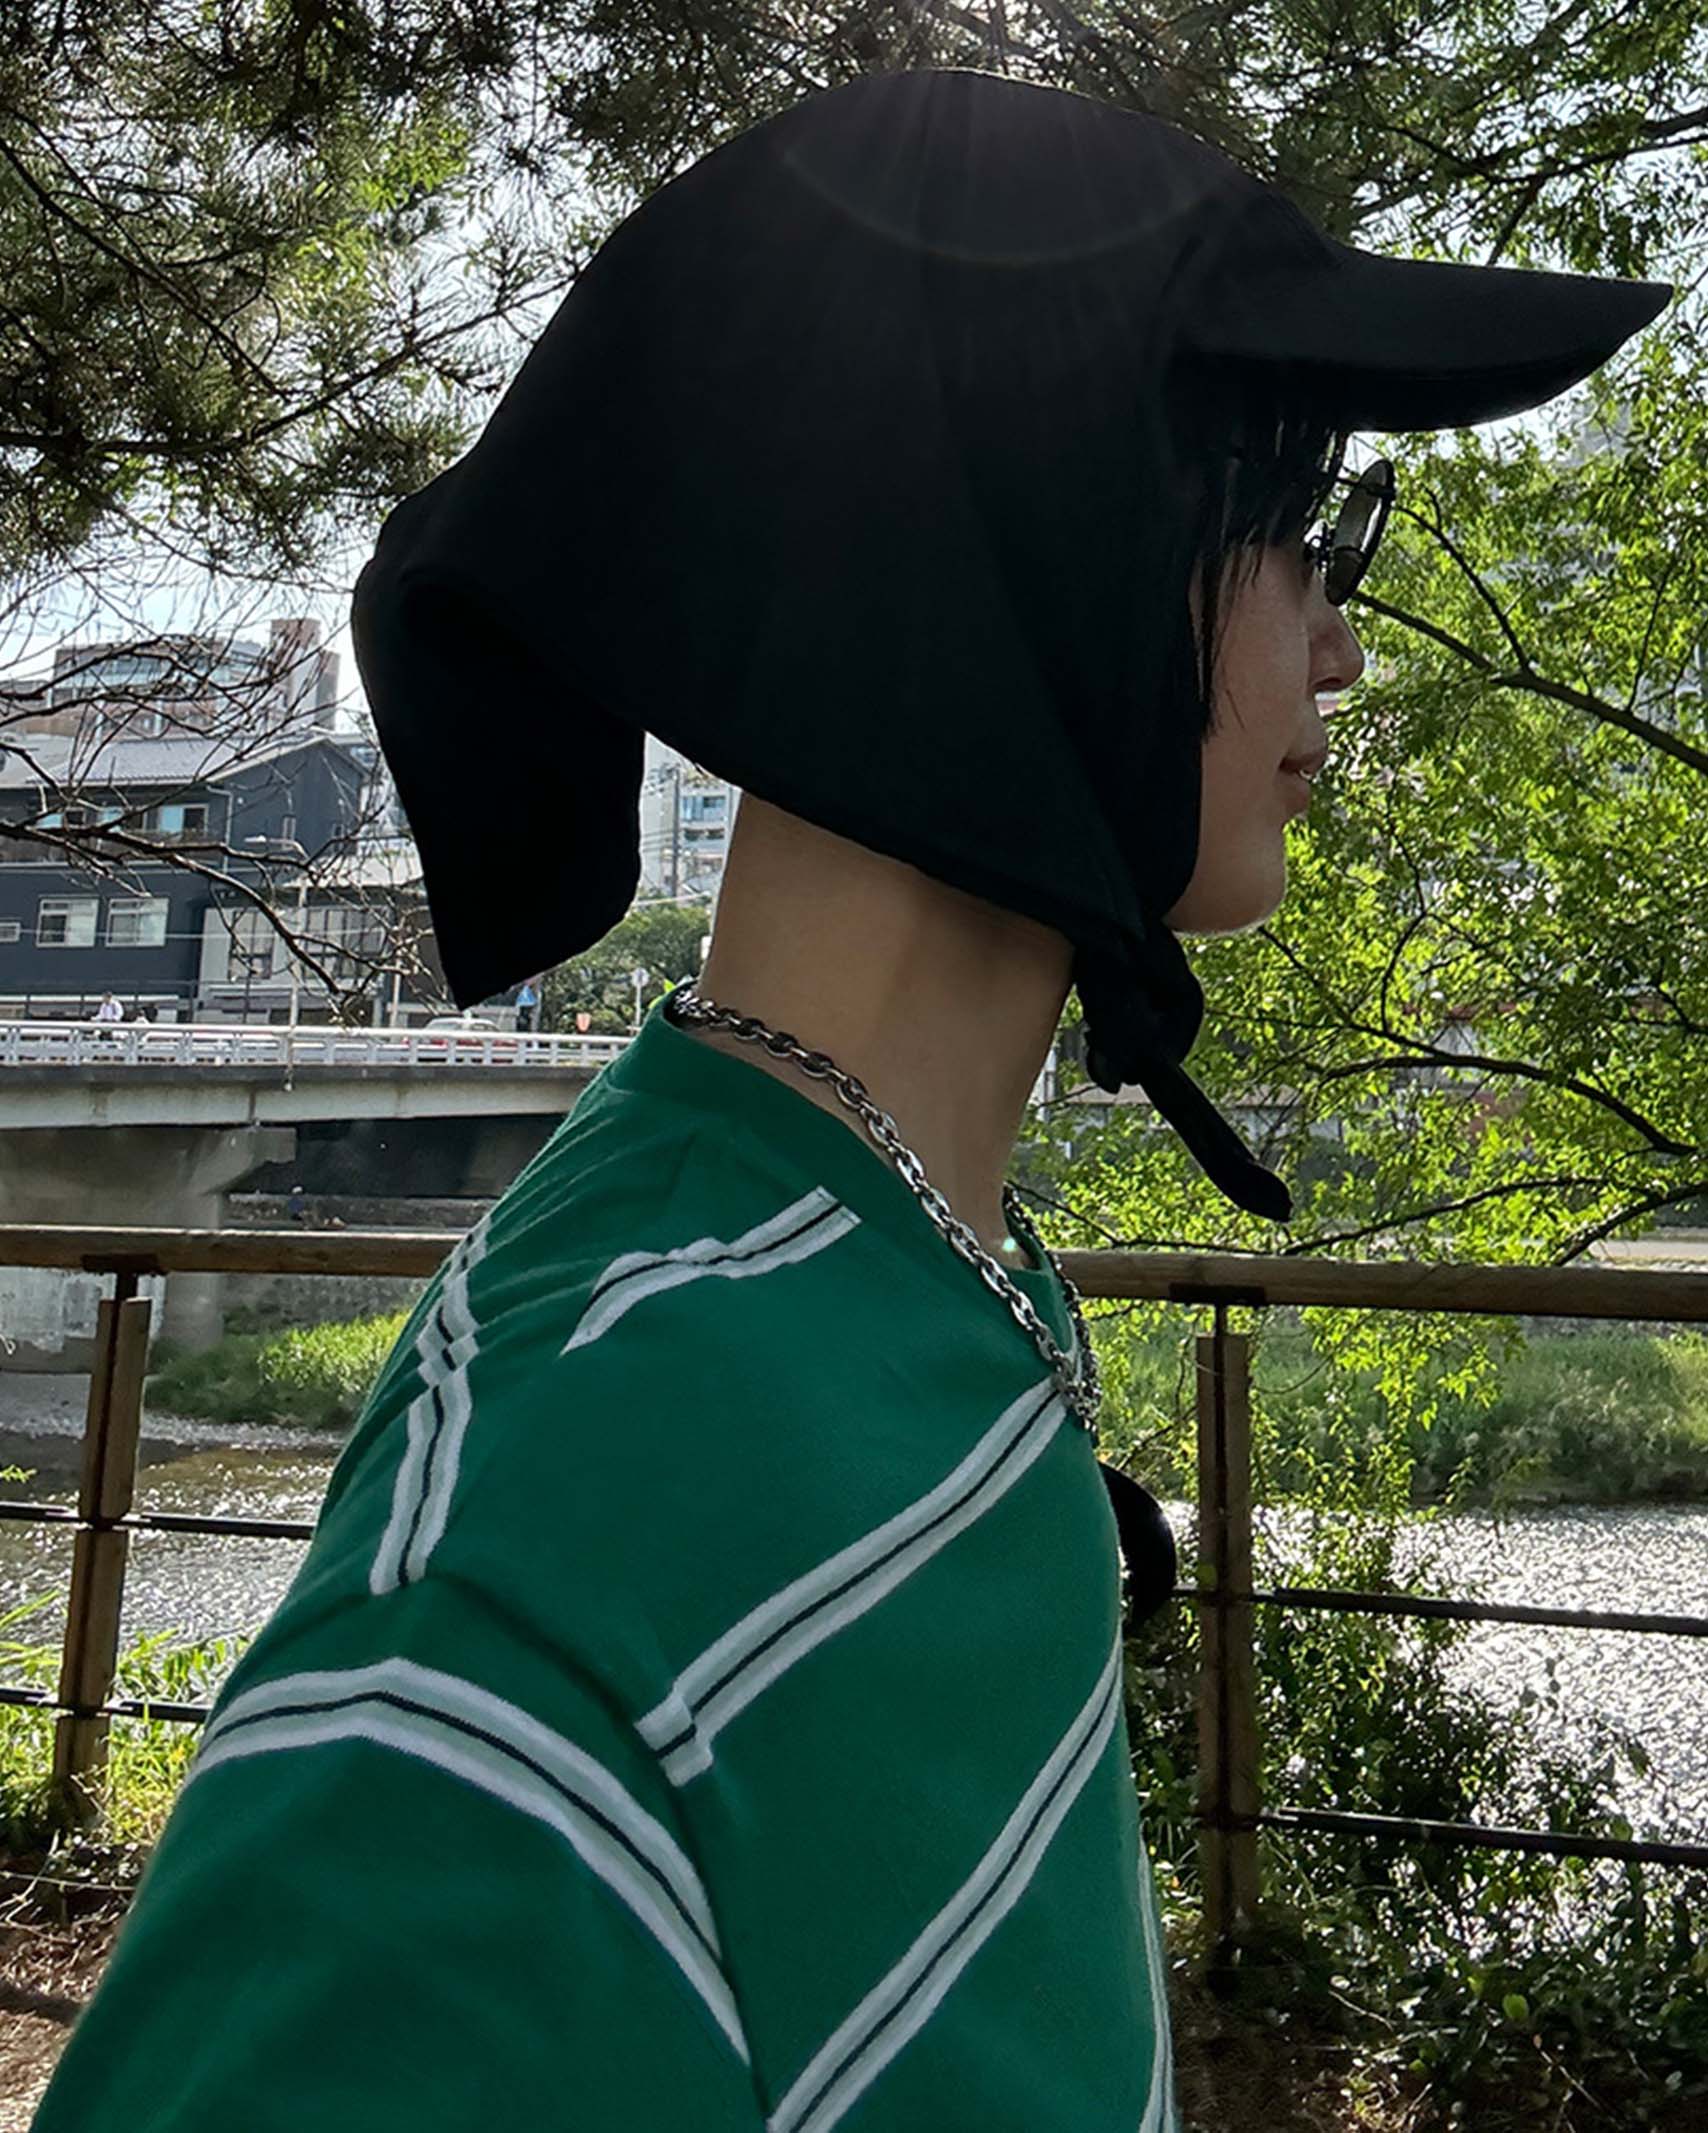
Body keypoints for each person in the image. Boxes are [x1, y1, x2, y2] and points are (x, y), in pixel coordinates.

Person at [36, 67, 1670, 2133]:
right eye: (1295, 530)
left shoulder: (921, 1267)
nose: (1337, 647)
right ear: (1052, 538)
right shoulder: (578, 1505)